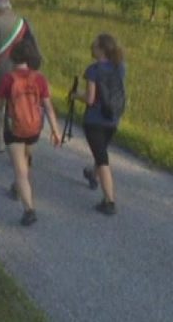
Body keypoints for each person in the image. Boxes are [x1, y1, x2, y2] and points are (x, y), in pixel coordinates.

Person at [0, 39, 61, 226]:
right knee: (26, 159)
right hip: (34, 129)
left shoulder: (9, 79)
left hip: (14, 129)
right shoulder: (39, 78)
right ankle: (17, 188)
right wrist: (55, 130)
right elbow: (48, 107)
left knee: (20, 170)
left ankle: (29, 209)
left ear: (13, 57)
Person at [71, 33, 126, 216]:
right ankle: (92, 174)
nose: (91, 48)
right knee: (100, 150)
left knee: (102, 159)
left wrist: (76, 95)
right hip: (113, 119)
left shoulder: (93, 70)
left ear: (101, 50)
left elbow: (90, 98)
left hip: (95, 120)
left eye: (94, 46)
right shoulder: (120, 67)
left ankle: (109, 201)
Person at [0, 0, 39, 153]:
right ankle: (21, 140)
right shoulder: (25, 23)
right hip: (23, 71)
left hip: (0, 71)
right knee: (19, 105)